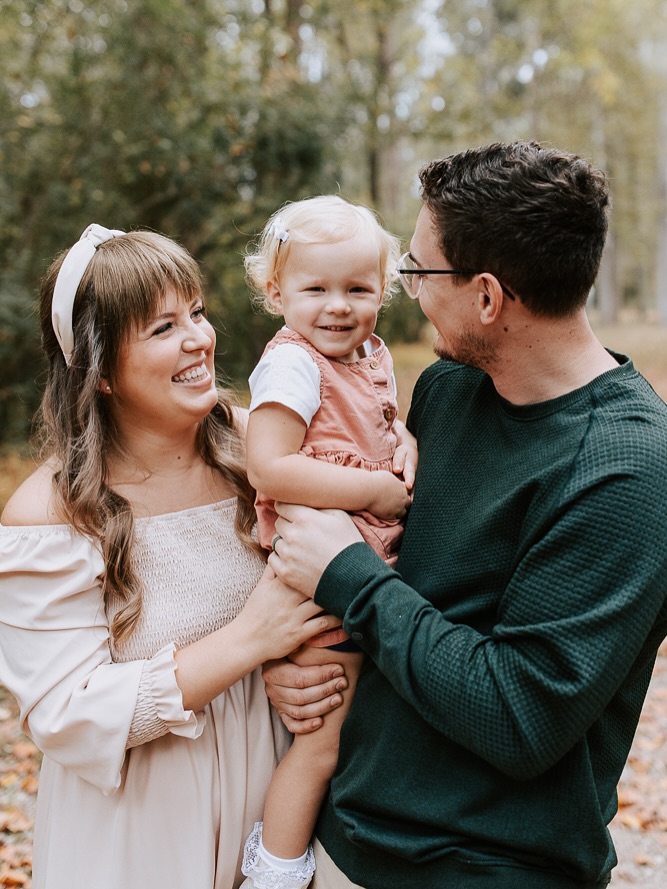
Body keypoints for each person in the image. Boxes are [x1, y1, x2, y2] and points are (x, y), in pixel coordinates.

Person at [261, 142, 667, 889]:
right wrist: (296, 667)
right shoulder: (449, 389)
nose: (407, 291)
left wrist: (344, 579)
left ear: (485, 297)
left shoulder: (628, 471)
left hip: (483, 869)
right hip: (347, 837)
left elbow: (520, 717)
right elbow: (404, 583)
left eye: (416, 271)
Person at [0, 225, 344, 889]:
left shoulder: (260, 452)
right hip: (140, 836)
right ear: (100, 373)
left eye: (197, 312)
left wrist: (295, 663)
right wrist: (249, 642)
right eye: (162, 328)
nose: (198, 339)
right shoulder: (50, 511)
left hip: (277, 811)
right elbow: (68, 715)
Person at [239, 196, 416, 889]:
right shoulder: (292, 365)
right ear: (276, 291)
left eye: (357, 288)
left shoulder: (370, 354)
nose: (337, 307)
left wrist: (402, 444)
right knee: (320, 742)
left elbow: (379, 424)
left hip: (363, 562)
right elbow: (271, 467)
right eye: (315, 289)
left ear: (383, 289)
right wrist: (374, 491)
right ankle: (276, 872)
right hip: (313, 573)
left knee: (354, 727)